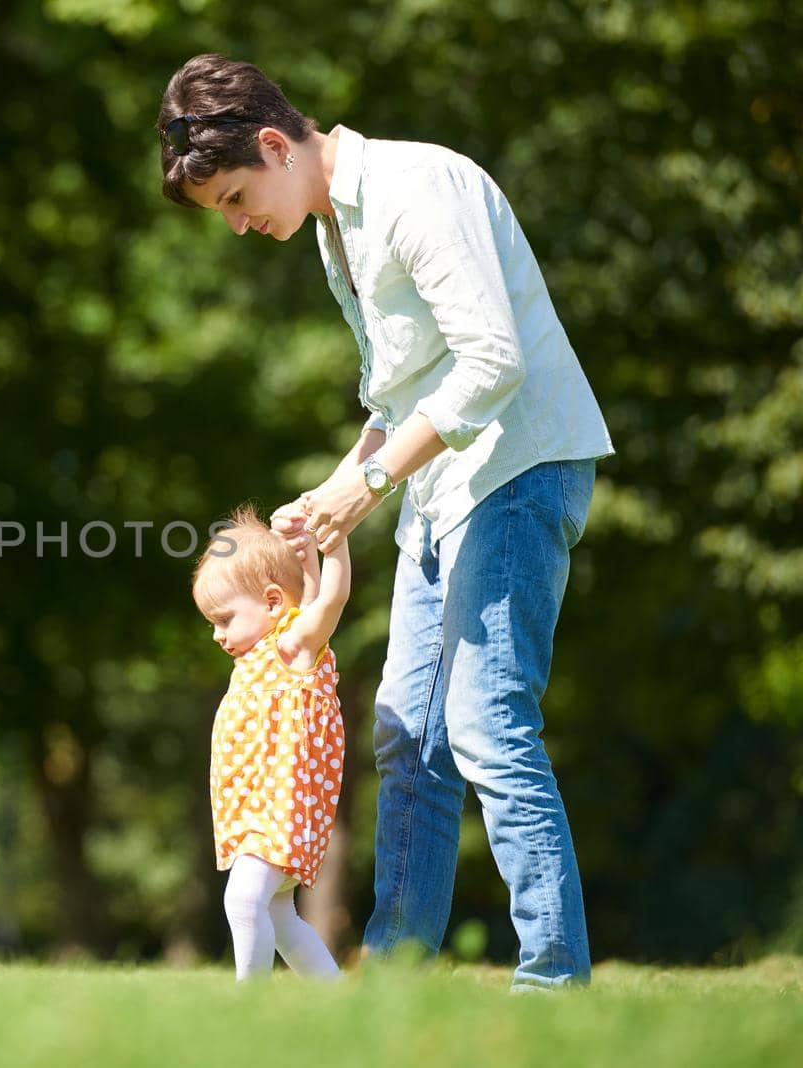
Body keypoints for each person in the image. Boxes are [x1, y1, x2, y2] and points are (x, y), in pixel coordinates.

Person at [158, 54, 614, 990]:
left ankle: (554, 981)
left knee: (488, 724)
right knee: (408, 735)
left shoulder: (417, 188)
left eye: (240, 198)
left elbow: (493, 363)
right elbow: (396, 397)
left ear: (277, 144)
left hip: (520, 472)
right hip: (441, 491)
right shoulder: (336, 233)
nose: (241, 225)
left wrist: (365, 489)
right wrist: (324, 499)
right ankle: (398, 981)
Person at [193, 503, 350, 980]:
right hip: (259, 808)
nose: (218, 635)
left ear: (272, 602)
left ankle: (248, 1004)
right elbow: (311, 597)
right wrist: (307, 566)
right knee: (280, 917)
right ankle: (338, 999)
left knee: (243, 899)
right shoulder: (266, 652)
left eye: (224, 619)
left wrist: (334, 543)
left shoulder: (292, 647)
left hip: (282, 807)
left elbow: (329, 603)